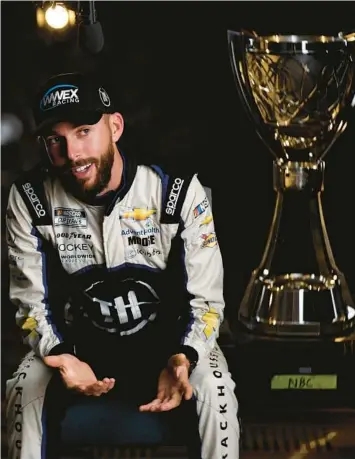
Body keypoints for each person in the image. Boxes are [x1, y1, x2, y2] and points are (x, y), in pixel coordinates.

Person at [5, 72, 240, 459]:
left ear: (115, 127)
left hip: (169, 352)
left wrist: (184, 356)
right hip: (77, 354)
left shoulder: (175, 191)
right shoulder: (31, 199)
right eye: (56, 140)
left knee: (215, 388)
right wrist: (61, 355)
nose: (73, 153)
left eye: (83, 131)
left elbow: (207, 302)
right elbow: (30, 302)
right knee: (23, 385)